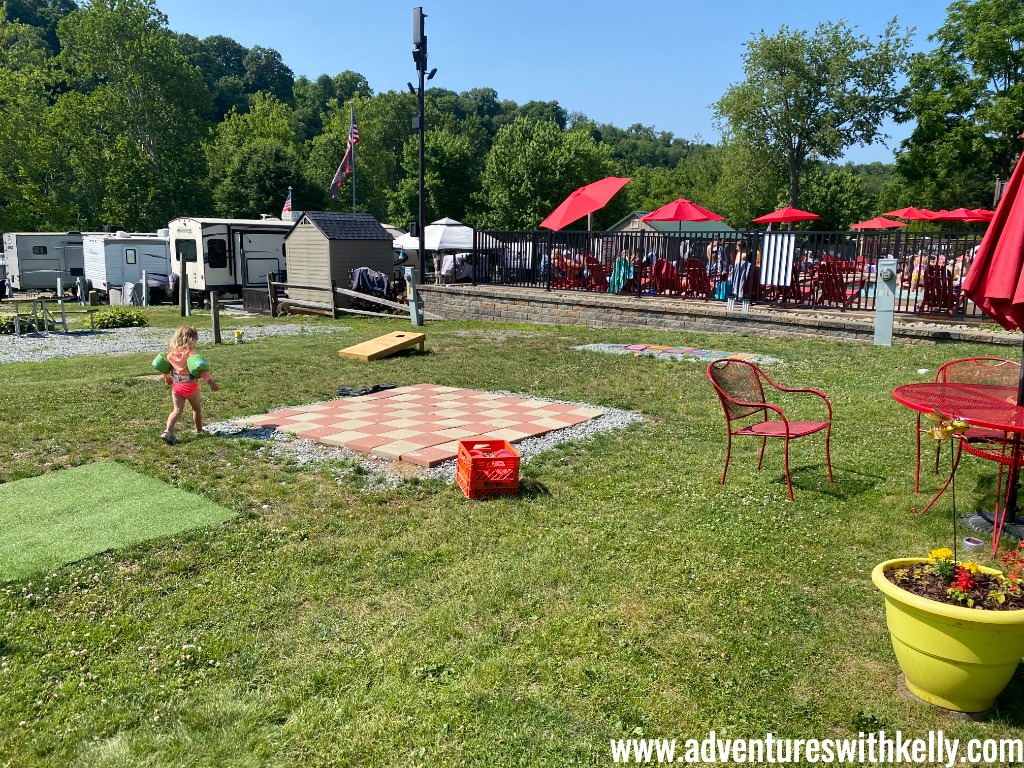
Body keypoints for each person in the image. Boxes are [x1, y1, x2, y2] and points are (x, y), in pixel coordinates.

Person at [159, 325, 219, 444]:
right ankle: (199, 429)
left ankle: (167, 431)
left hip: (177, 388)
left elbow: (166, 369)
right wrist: (210, 382)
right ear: (190, 340)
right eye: (195, 339)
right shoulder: (191, 355)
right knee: (196, 409)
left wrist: (167, 378)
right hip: (191, 387)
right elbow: (201, 371)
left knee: (176, 410)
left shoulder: (171, 355)